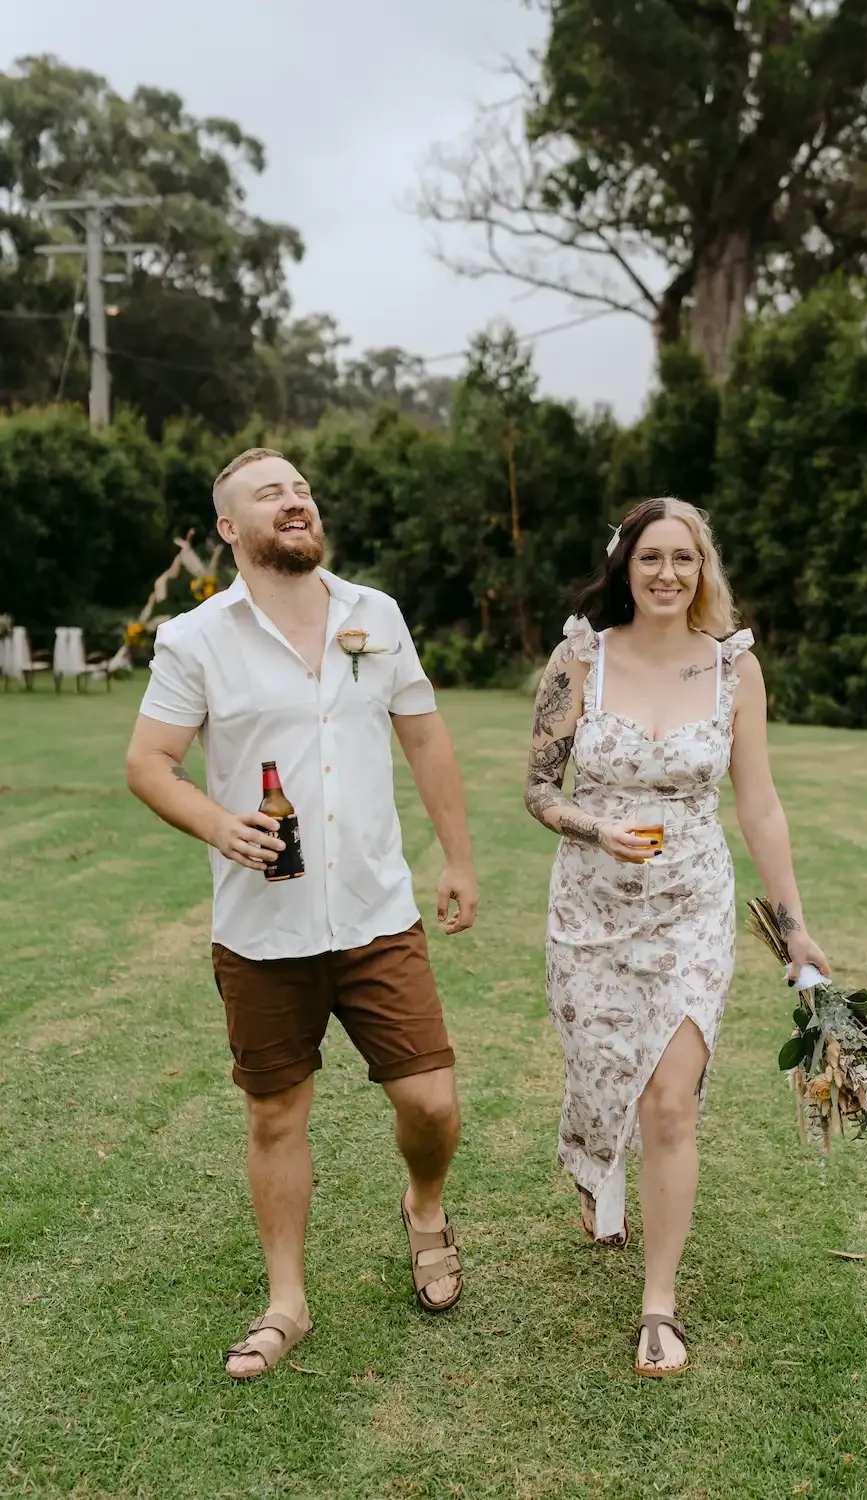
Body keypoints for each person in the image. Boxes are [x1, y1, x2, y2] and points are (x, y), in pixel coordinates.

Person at [125, 447, 478, 1380]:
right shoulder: (195, 639)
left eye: (302, 490)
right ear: (229, 530)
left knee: (432, 1102)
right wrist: (215, 821)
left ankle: (425, 1205)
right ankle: (288, 1301)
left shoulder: (376, 615)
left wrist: (458, 854)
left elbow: (424, 733)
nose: (295, 501)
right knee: (277, 1115)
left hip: (376, 910)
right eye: (269, 494)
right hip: (262, 927)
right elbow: (148, 763)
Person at [525, 497, 829, 1379]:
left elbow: (759, 803)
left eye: (684, 559)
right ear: (625, 566)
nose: (668, 574)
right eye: (651, 557)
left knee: (670, 1103)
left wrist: (795, 928)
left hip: (692, 902)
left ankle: (658, 1303)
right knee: (599, 1080)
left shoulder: (735, 669)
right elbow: (540, 789)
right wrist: (594, 829)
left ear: (704, 570)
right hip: (591, 907)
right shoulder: (579, 659)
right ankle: (590, 1160)